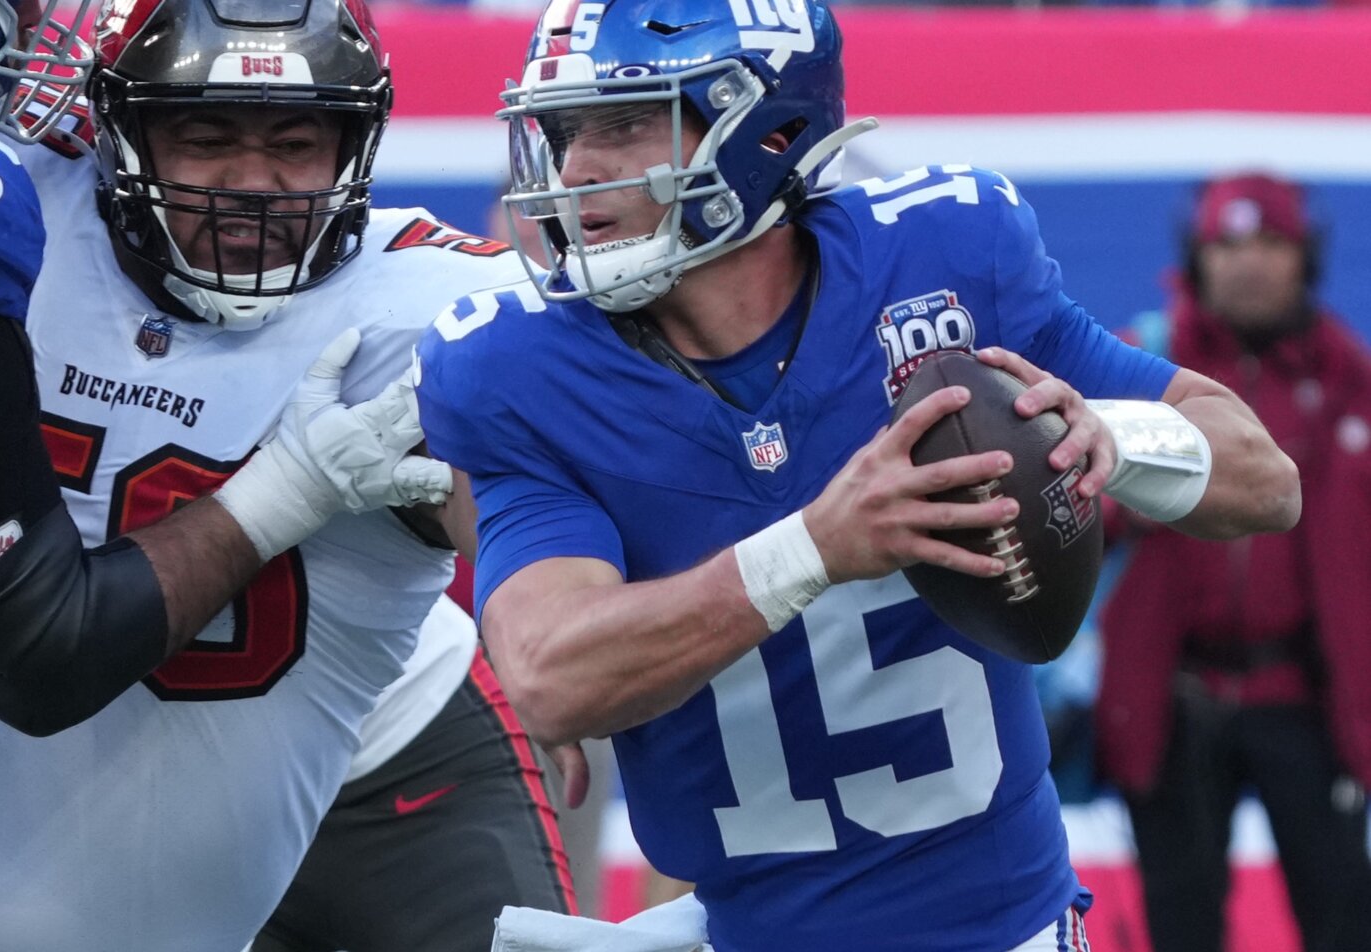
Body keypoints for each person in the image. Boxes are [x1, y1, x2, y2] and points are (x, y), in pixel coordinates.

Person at [413, 1, 1303, 949]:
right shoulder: (521, 367)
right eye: (565, 131)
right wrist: (814, 548)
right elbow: (550, 675)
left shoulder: (947, 263)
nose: (578, 167)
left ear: (766, 127)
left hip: (1008, 929)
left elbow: (1267, 479)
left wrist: (1112, 439)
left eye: (626, 123)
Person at [0, 0, 574, 949]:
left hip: (396, 741)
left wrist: (561, 635)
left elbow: (578, 560)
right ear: (114, 132)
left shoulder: (433, 312)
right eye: (204, 136)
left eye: (297, 139)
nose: (254, 187)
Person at [1096, 172, 1371, 952]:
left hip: (1307, 699)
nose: (1249, 262)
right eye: (1229, 244)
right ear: (1198, 257)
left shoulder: (1352, 382)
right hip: (1175, 697)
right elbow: (1076, 522)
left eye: (1272, 242)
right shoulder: (1139, 369)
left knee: (1345, 919)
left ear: (1305, 259)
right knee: (1182, 929)